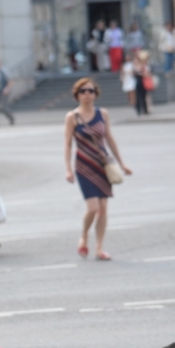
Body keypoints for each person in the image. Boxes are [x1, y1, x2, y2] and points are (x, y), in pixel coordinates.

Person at [63, 78, 133, 261]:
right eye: (83, 91)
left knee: (103, 208)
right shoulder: (72, 117)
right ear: (77, 95)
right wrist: (68, 169)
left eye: (91, 91)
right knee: (93, 207)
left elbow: (109, 139)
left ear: (95, 94)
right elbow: (67, 144)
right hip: (84, 166)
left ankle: (99, 247)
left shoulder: (102, 114)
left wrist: (122, 164)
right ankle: (84, 235)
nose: (87, 94)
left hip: (102, 165)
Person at [133, 50, 151, 116]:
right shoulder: (137, 64)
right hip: (138, 81)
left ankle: (145, 109)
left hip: (143, 81)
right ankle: (139, 110)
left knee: (144, 96)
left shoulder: (144, 65)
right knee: (139, 96)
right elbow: (135, 72)